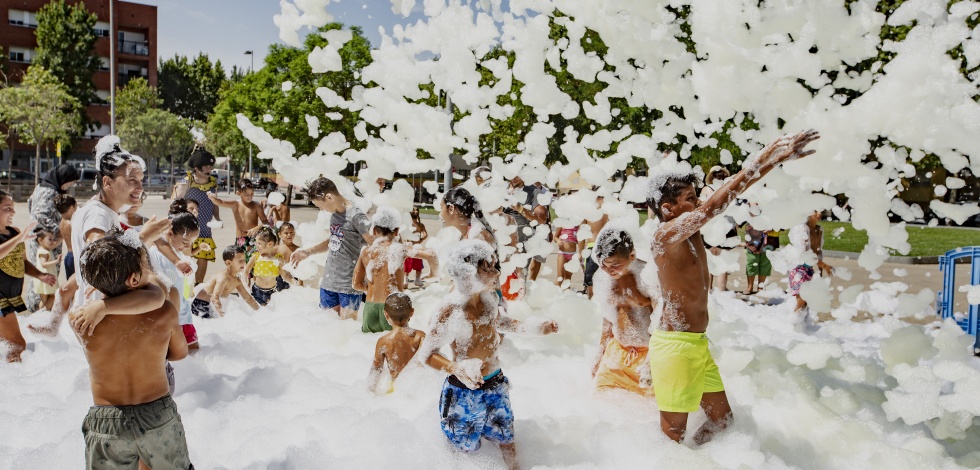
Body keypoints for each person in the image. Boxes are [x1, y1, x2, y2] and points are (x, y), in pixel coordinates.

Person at [646, 130, 818, 444]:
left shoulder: (689, 231)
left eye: (696, 196)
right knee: (672, 435)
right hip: (675, 347)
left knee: (722, 422)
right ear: (668, 208)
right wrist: (767, 158)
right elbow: (715, 205)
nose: (697, 203)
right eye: (689, 199)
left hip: (697, 344)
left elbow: (715, 202)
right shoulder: (666, 235)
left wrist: (770, 161)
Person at [419, 239, 558, 470]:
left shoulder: (488, 298)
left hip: (495, 384)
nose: (496, 272)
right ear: (467, 274)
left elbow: (500, 322)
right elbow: (426, 354)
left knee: (507, 440)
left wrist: (532, 328)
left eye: (494, 265)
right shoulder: (449, 310)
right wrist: (457, 368)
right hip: (464, 393)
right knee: (464, 451)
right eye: (487, 268)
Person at [72, 233, 193, 469]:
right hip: (156, 413)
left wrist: (103, 304)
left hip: (106, 421)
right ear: (135, 279)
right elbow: (179, 353)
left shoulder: (79, 318)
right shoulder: (164, 312)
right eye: (147, 266)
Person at [31, 136, 171, 338]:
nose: (140, 188)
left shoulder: (99, 209)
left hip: (98, 315)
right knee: (159, 295)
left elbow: (77, 275)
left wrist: (55, 323)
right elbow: (98, 254)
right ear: (107, 182)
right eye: (132, 180)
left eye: (140, 180)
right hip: (103, 316)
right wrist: (143, 236)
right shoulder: (99, 215)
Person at [290, 177, 374, 320]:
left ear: (329, 197)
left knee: (346, 330)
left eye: (320, 205)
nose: (321, 209)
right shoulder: (335, 216)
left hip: (349, 284)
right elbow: (333, 241)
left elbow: (373, 244)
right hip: (329, 282)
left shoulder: (357, 216)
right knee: (327, 327)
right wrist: (308, 252)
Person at [591, 227, 656, 398]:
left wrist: (651, 363)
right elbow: (608, 320)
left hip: (648, 356)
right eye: (603, 265)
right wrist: (600, 354)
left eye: (615, 264)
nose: (608, 270)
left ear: (632, 256)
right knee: (602, 406)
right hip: (618, 354)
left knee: (648, 414)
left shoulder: (648, 277)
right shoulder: (605, 279)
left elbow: (663, 319)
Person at [0, 192, 56, 362]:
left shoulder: (14, 232)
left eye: (13, 208)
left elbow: (23, 262)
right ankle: (15, 384)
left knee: (7, 343)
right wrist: (18, 239)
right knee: (17, 344)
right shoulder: (17, 237)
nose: (13, 213)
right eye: (7, 208)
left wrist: (40, 275)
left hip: (10, 297)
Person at [25, 163, 79, 311]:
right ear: (63, 178)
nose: (71, 184)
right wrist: (58, 231)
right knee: (44, 273)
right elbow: (40, 214)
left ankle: (37, 306)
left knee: (39, 273)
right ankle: (39, 308)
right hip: (46, 241)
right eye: (71, 181)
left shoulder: (41, 187)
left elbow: (30, 204)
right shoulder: (50, 192)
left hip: (40, 238)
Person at [149, 208, 201, 350]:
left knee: (193, 350)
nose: (188, 246)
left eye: (191, 242)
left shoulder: (180, 256)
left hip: (183, 316)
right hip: (166, 317)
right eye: (185, 242)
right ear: (170, 233)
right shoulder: (155, 254)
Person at [353, 206, 406, 333]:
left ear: (374, 229)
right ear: (397, 231)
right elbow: (430, 255)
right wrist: (433, 273)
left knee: (368, 348)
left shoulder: (366, 252)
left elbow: (356, 284)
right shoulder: (400, 250)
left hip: (370, 306)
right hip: (393, 307)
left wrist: (373, 287)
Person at [173, 145, 221, 285]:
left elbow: (215, 203)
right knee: (185, 255)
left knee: (203, 257)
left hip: (205, 226)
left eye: (210, 167)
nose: (209, 170)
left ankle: (199, 285)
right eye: (206, 167)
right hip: (186, 227)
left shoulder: (213, 183)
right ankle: (182, 283)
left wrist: (217, 218)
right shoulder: (186, 181)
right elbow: (174, 201)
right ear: (196, 168)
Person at [367, 292, 425, 394]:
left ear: (386, 314)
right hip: (418, 388)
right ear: (412, 312)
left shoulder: (383, 341)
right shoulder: (420, 336)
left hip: (396, 390)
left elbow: (376, 370)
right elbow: (425, 363)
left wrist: (370, 393)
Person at [503, 176, 550, 282]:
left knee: (518, 279)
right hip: (501, 241)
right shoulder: (500, 190)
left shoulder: (533, 191)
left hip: (521, 242)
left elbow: (542, 218)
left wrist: (520, 209)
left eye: (517, 173)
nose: (514, 177)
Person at [192, 245, 259, 318]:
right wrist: (222, 316)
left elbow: (248, 298)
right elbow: (215, 297)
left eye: (244, 260)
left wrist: (260, 312)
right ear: (228, 263)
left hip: (210, 305)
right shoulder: (223, 277)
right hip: (201, 304)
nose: (243, 263)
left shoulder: (237, 280)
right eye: (240, 261)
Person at [700, 166, 738, 291]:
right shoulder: (729, 189)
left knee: (710, 261)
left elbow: (701, 209)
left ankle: (709, 292)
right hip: (727, 227)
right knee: (723, 263)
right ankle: (722, 293)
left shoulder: (706, 189)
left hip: (710, 228)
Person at [209, 179, 269, 257]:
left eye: (252, 194)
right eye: (247, 194)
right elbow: (222, 202)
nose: (250, 197)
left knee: (252, 264)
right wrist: (213, 198)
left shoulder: (256, 206)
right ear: (238, 193)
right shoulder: (235, 204)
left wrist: (257, 228)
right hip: (240, 239)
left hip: (254, 239)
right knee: (240, 263)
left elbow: (265, 221)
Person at [788, 211, 833, 313]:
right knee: (802, 300)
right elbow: (805, 253)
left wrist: (820, 273)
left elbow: (818, 251)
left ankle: (800, 325)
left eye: (820, 211)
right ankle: (792, 323)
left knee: (807, 300)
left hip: (809, 268)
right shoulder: (803, 229)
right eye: (815, 211)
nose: (819, 213)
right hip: (797, 268)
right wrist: (825, 266)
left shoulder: (819, 229)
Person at [245, 226, 289, 306]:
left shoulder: (278, 259)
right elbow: (246, 270)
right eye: (256, 243)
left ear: (270, 244)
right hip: (257, 292)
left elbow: (284, 275)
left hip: (273, 293)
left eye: (259, 243)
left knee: (271, 314)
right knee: (259, 313)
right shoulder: (256, 257)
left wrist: (293, 284)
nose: (256, 246)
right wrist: (245, 284)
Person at [581, 194, 609, 298]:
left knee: (590, 282)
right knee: (606, 281)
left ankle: (591, 305)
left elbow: (582, 232)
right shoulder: (610, 205)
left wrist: (580, 253)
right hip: (606, 247)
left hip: (591, 247)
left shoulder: (588, 207)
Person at [33, 227, 63, 312]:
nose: (53, 242)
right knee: (53, 296)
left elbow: (56, 243)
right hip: (47, 279)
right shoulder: (44, 252)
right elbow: (44, 264)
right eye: (50, 239)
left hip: (44, 278)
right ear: (40, 240)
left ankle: (41, 313)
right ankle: (43, 312)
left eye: (53, 239)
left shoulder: (44, 249)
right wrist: (56, 261)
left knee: (44, 299)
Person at [402, 207, 428, 288]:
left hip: (417, 247)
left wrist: (420, 240)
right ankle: (405, 279)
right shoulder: (406, 224)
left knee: (418, 263)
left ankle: (417, 279)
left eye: (417, 210)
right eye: (414, 210)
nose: (416, 211)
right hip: (408, 247)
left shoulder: (420, 225)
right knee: (407, 264)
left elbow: (425, 234)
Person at [743, 222, 770, 295]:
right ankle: (750, 286)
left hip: (767, 237)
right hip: (752, 238)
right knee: (751, 262)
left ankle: (760, 287)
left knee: (765, 263)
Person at [55, 195, 77, 279]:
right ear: (71, 207)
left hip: (68, 256)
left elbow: (60, 237)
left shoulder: (62, 222)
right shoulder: (73, 222)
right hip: (75, 256)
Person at [553, 223, 579, 287]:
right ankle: (555, 295)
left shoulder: (577, 224)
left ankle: (566, 295)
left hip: (573, 254)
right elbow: (555, 237)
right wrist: (558, 241)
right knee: (560, 278)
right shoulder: (562, 223)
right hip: (563, 253)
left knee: (567, 279)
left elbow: (580, 240)